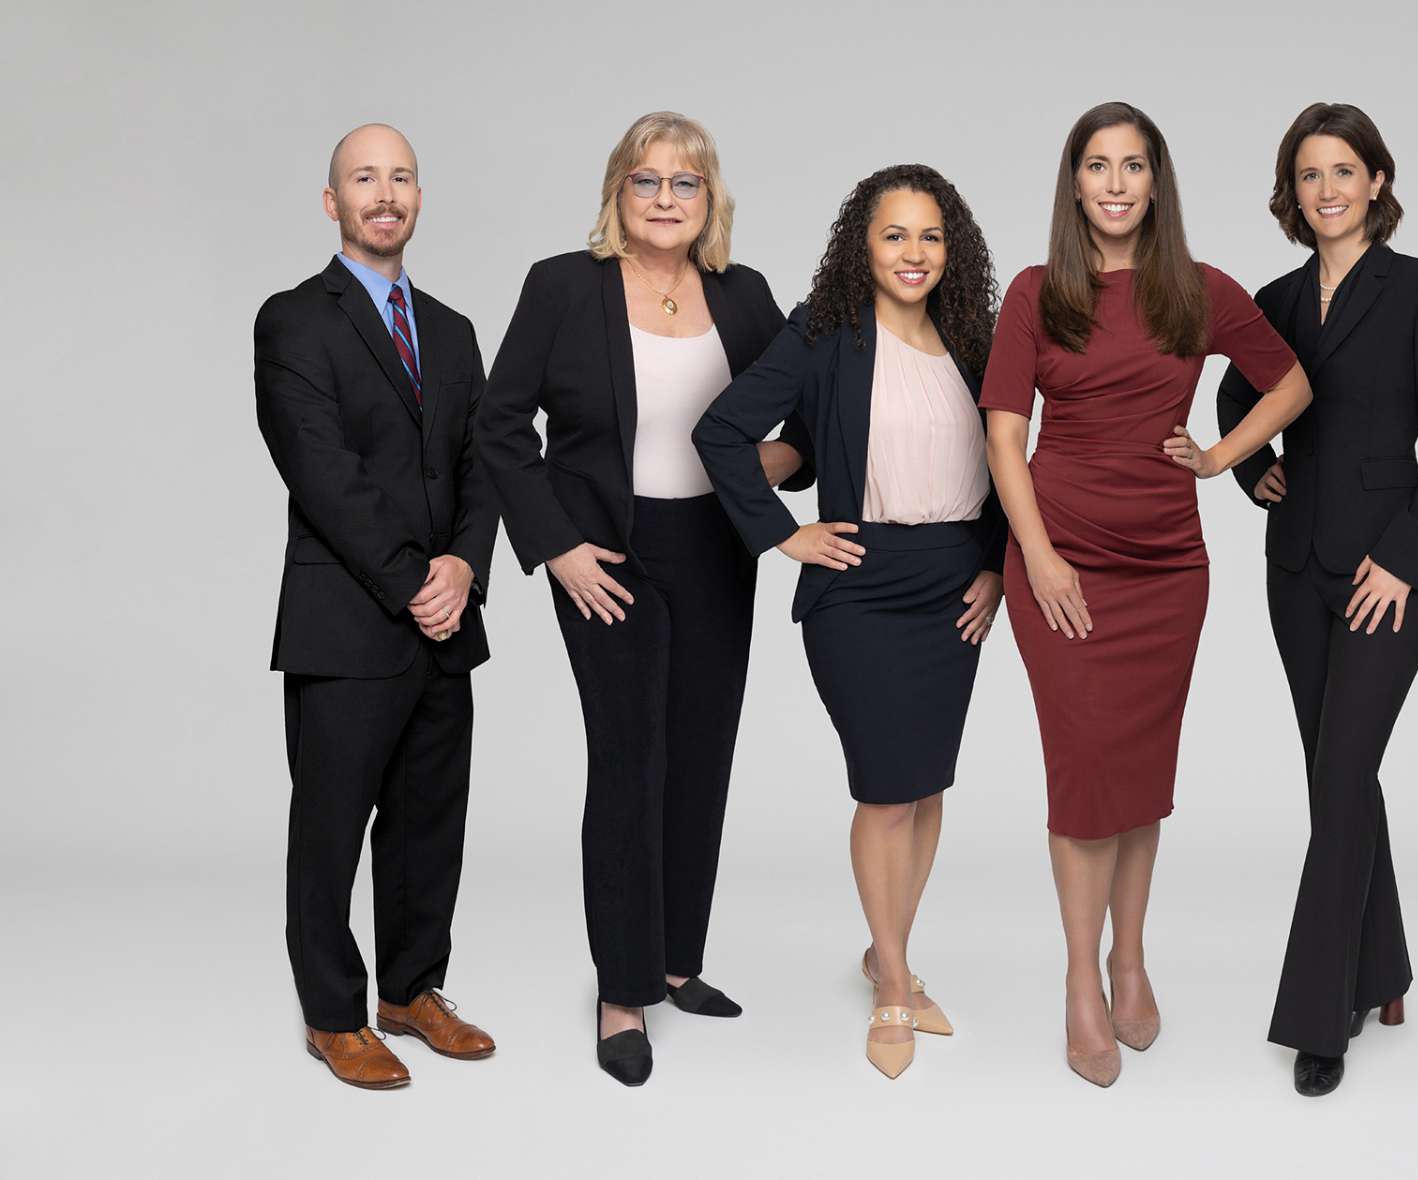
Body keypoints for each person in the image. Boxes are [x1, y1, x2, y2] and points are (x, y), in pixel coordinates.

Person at [981, 102, 1312, 1087]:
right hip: (1063, 560)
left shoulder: (1197, 290)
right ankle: (1083, 979)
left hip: (1168, 568)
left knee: (1137, 774)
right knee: (1085, 779)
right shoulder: (1037, 294)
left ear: (1155, 184)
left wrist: (1219, 456)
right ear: (1074, 183)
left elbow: (1289, 383)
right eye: (1097, 166)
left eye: (1134, 166)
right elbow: (1003, 435)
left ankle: (1132, 956)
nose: (1116, 184)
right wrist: (1036, 556)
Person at [477, 112, 811, 1087]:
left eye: (685, 184)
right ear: (617, 192)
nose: (665, 199)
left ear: (711, 199)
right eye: (646, 181)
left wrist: (766, 466)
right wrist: (557, 548)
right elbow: (501, 428)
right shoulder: (562, 287)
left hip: (716, 549)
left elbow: (812, 417)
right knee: (631, 761)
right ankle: (621, 993)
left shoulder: (743, 296)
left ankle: (674, 960)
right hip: (607, 556)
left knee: (701, 754)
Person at [696, 164, 1005, 1079]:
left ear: (955, 250)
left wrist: (994, 566)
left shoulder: (975, 339)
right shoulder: (826, 334)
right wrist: (781, 537)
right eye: (894, 236)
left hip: (956, 582)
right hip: (862, 585)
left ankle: (888, 953)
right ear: (861, 248)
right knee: (884, 788)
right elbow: (725, 432)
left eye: (931, 236)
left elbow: (1007, 459)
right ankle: (895, 984)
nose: (914, 254)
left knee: (927, 783)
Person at [1217, 102, 1418, 1096]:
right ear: (1295, 192)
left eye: (1344, 171)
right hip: (1297, 572)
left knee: (1340, 774)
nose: (1326, 189)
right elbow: (1236, 397)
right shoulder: (1276, 298)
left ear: (1376, 182)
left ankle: (1322, 1011)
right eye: (1309, 174)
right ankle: (1388, 969)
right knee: (1338, 776)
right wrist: (1253, 471)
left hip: (1386, 573)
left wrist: (1408, 554)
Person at [255, 123, 499, 1089]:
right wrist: (412, 582)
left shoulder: (452, 329)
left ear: (419, 198)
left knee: (429, 819)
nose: (383, 193)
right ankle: (331, 1015)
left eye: (399, 178)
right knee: (329, 827)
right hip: (348, 622)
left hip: (447, 617)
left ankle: (411, 991)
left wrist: (464, 570)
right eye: (364, 178)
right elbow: (321, 470)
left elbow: (485, 467)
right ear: (332, 202)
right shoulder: (293, 320)